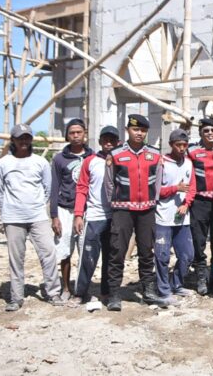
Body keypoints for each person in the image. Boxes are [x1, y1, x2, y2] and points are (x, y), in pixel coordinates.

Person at [0, 124, 64, 311]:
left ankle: (53, 293)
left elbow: (47, 188)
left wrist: (37, 205)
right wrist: (9, 209)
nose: (23, 141)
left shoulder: (40, 162)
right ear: (13, 140)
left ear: (31, 140)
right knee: (16, 259)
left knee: (48, 253)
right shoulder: (3, 164)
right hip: (13, 219)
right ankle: (16, 297)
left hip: (37, 217)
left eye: (27, 137)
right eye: (20, 138)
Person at [104, 114, 166, 311]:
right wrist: (115, 203)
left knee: (147, 251)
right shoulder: (115, 154)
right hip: (122, 210)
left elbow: (158, 181)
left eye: (143, 130)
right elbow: (109, 183)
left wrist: (153, 201)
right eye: (135, 129)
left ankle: (148, 291)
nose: (139, 133)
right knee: (117, 252)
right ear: (127, 130)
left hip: (147, 210)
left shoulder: (155, 154)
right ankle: (114, 294)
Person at [71, 125, 119, 306]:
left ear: (118, 142)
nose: (109, 143)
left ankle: (106, 292)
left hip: (115, 217)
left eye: (112, 140)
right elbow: (82, 188)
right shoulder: (90, 161)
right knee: (88, 257)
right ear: (100, 141)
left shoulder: (122, 161)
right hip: (94, 217)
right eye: (105, 139)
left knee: (111, 257)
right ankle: (80, 292)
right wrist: (78, 214)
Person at [50, 118, 94, 298]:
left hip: (87, 210)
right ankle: (66, 288)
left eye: (79, 132)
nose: (76, 136)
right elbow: (54, 187)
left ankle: (82, 288)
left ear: (85, 134)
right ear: (67, 136)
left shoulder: (93, 157)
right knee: (65, 251)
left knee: (85, 251)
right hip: (65, 210)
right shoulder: (59, 159)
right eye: (72, 133)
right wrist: (54, 215)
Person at [187, 117, 213, 295]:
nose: (210, 133)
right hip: (200, 202)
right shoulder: (192, 151)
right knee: (199, 240)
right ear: (200, 133)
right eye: (206, 131)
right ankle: (201, 276)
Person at [154, 129, 197, 305]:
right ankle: (163, 290)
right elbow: (156, 191)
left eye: (184, 145)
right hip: (163, 217)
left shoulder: (188, 163)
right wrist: (175, 189)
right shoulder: (162, 163)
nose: (182, 148)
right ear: (171, 145)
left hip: (182, 218)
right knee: (162, 256)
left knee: (187, 255)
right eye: (178, 145)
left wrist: (186, 203)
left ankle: (177, 284)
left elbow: (192, 187)